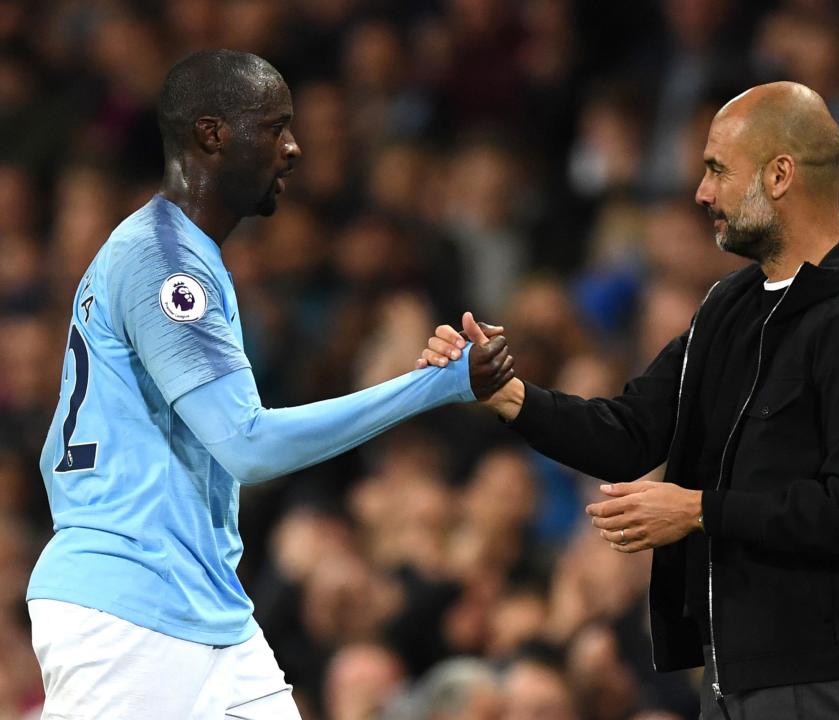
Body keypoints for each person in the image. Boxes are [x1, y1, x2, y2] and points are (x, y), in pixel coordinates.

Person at [26, 49, 513, 720]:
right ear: (212, 135)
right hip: (130, 609)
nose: (293, 147)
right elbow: (249, 445)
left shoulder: (179, 252)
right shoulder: (165, 266)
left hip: (201, 602)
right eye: (274, 126)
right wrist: (435, 385)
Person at [420, 82, 839, 719]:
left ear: (779, 175)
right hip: (727, 671)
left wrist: (700, 511)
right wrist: (508, 393)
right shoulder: (728, 306)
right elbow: (631, 432)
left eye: (717, 169)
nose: (702, 192)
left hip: (813, 678)